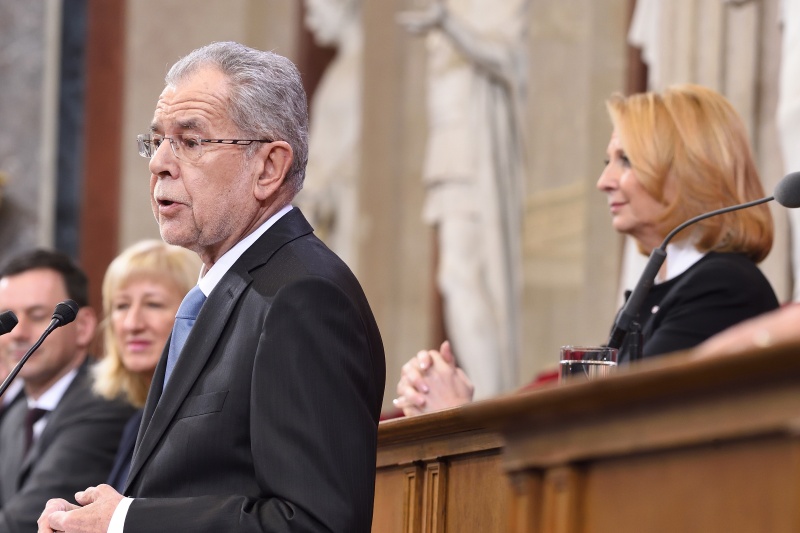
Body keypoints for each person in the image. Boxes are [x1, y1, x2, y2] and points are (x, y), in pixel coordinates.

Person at [38, 41, 385, 533]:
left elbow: (314, 523)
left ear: (268, 167)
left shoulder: (303, 296)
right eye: (156, 140)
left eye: (190, 141)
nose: (159, 162)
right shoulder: (219, 294)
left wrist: (126, 521)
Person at [394, 84, 780, 416]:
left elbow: (619, 419)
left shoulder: (724, 286)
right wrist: (452, 406)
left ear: (688, 171)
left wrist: (461, 416)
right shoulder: (668, 289)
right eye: (607, 161)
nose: (603, 181)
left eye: (625, 160)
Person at [397, 0, 529, 400]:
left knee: (465, 279)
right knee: (455, 279)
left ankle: (490, 398)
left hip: (479, 160)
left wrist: (450, 25)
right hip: (447, 155)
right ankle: (485, 399)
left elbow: (512, 62)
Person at [0, 249, 135, 532]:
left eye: (37, 315)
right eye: (7, 319)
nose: (18, 333)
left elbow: (22, 522)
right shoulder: (15, 411)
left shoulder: (106, 402)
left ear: (83, 326)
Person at [91, 240, 199, 491]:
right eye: (121, 306)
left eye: (153, 304)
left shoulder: (199, 424)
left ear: (196, 316)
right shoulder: (137, 423)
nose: (132, 323)